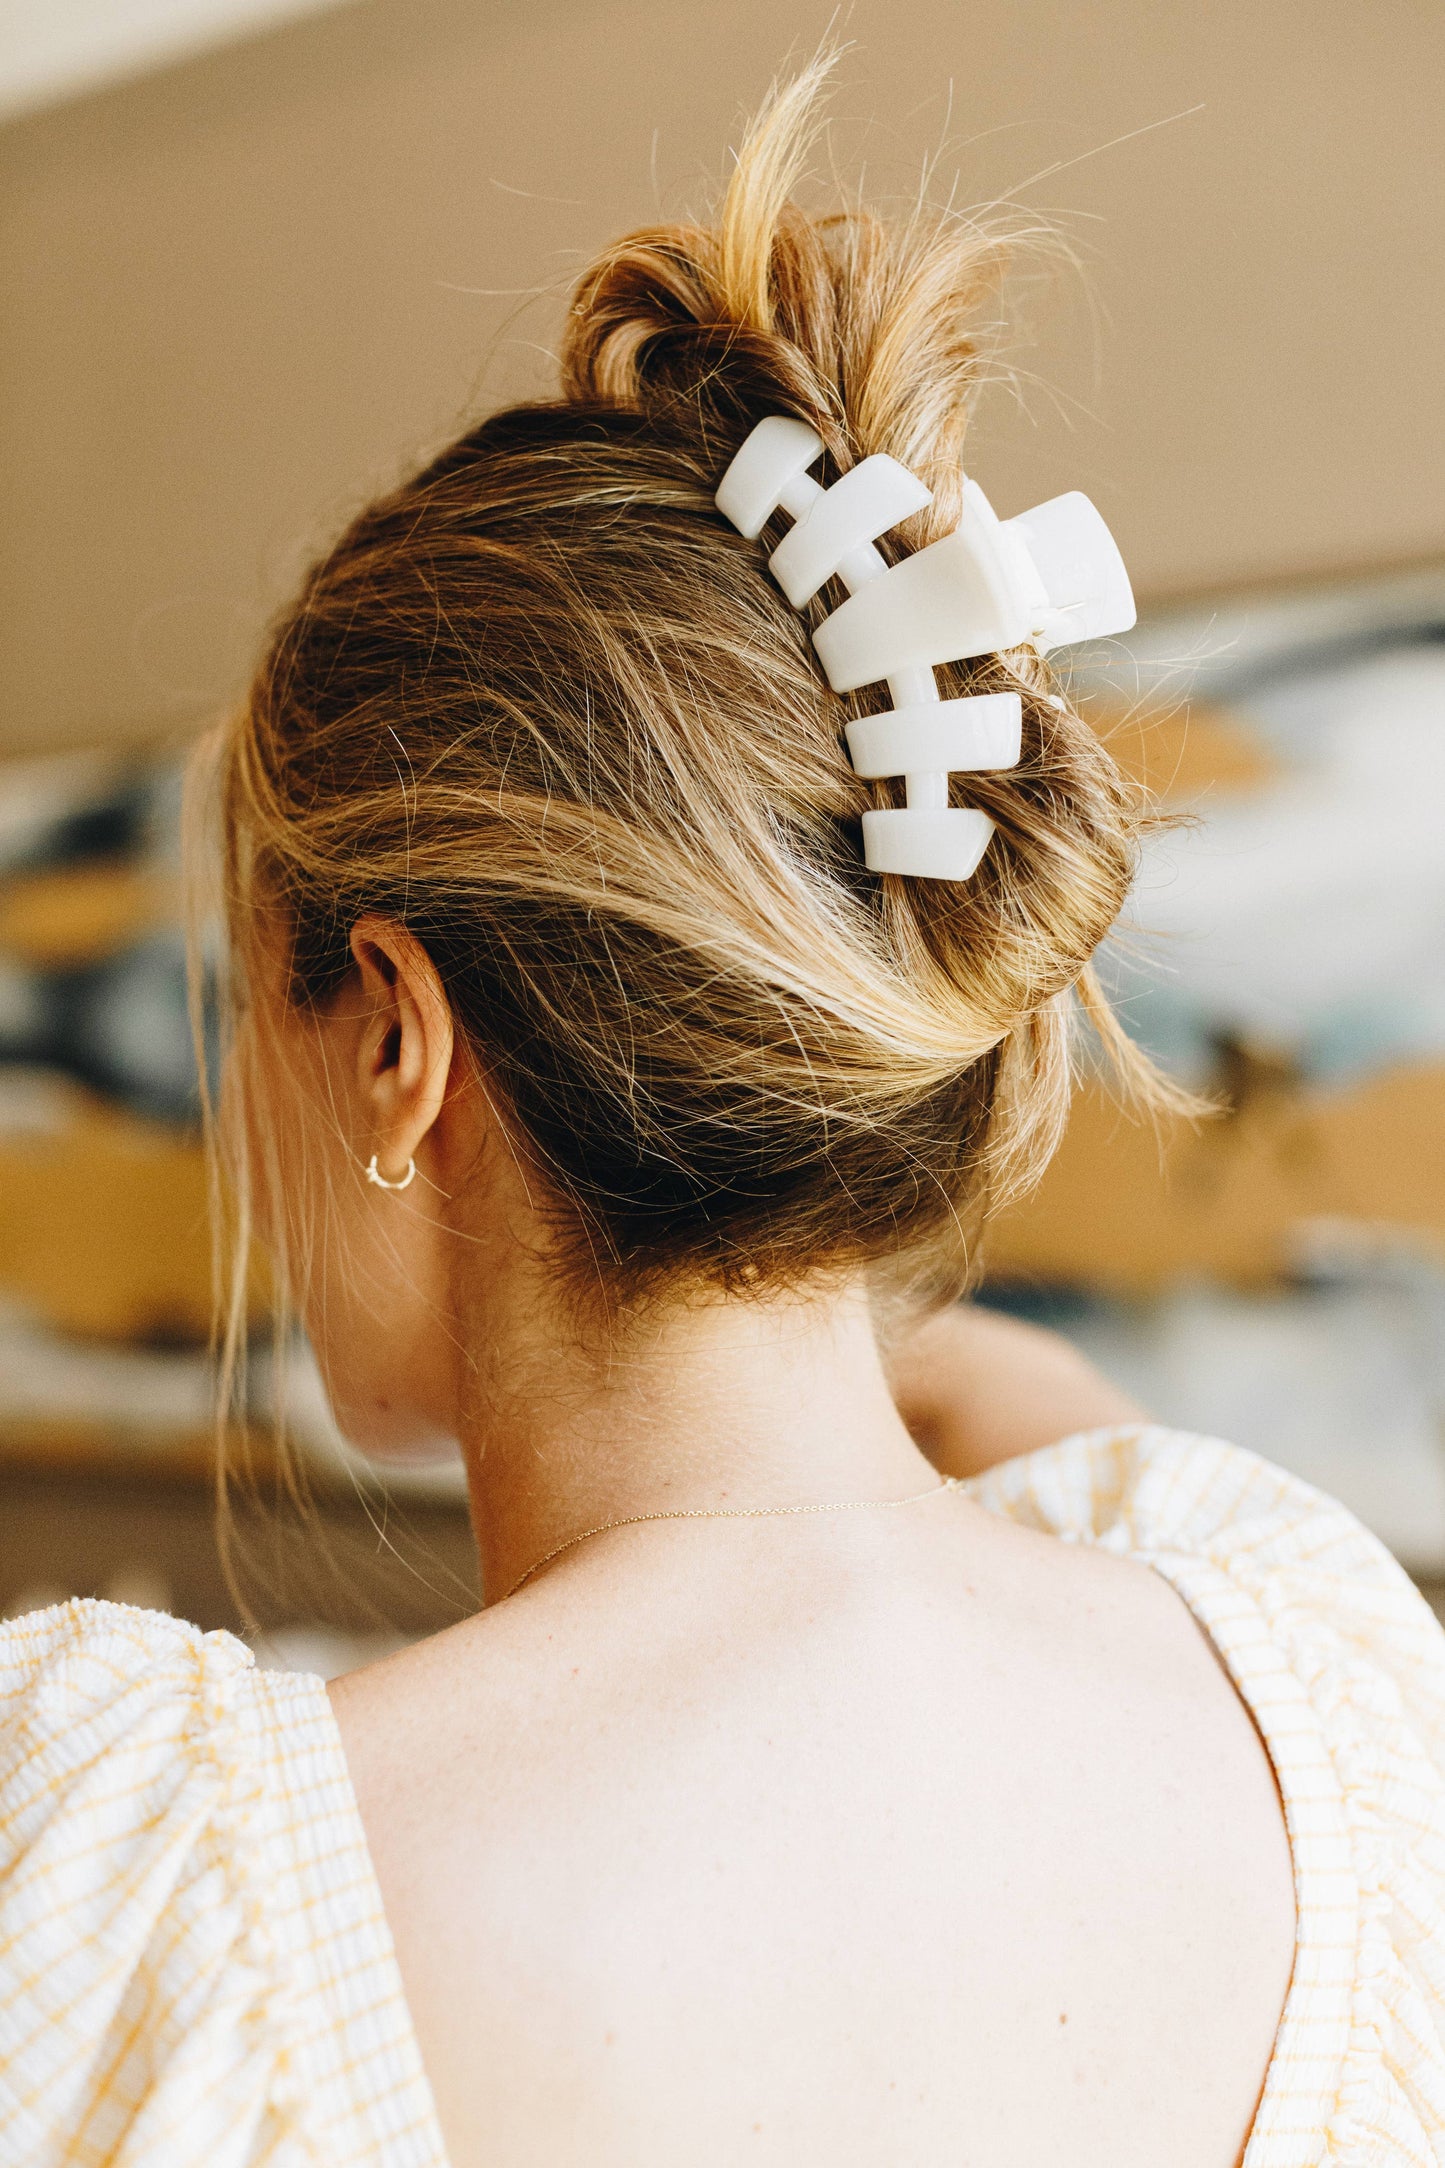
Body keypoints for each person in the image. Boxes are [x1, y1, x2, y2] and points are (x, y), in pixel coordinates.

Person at [3, 65, 1443, 2168]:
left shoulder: (136, 1900)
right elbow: (1012, 1405)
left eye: (257, 1007)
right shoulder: (1321, 1672)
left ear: (396, 1034)